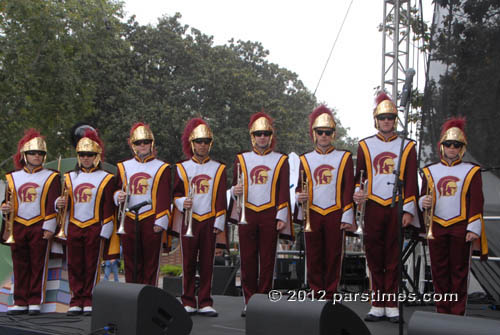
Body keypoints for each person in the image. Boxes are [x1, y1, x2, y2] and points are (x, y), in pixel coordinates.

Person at [353, 92, 420, 323]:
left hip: (396, 206)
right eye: (383, 117)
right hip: (373, 205)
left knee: (393, 256)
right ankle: (377, 302)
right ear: (376, 119)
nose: (387, 121)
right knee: (374, 255)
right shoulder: (364, 145)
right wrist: (357, 192)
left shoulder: (408, 146)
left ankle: (391, 303)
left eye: (390, 117)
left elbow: (412, 180)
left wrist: (409, 210)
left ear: (395, 120)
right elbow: (358, 176)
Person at [420, 117, 488, 315]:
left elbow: (477, 200)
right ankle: (442, 310)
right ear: (442, 146)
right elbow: (423, 195)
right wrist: (421, 201)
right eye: (448, 144)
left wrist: (473, 227)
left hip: (461, 227)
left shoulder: (472, 171)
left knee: (459, 272)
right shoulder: (429, 170)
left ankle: (457, 313)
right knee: (439, 272)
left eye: (456, 145)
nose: (452, 148)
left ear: (462, 147)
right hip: (437, 226)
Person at [229, 111, 293, 317]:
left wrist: (282, 216)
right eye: (259, 133)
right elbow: (234, 186)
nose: (262, 137)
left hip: (269, 214)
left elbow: (283, 189)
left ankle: (263, 300)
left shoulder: (281, 160)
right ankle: (249, 300)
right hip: (247, 212)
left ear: (271, 136)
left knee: (267, 260)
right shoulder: (241, 159)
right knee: (247, 260)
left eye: (266, 133)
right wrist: (233, 192)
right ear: (252, 136)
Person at [294, 105, 355, 299]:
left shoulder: (344, 157)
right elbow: (299, 187)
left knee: (334, 255)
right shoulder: (305, 159)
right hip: (312, 213)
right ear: (314, 134)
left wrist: (347, 214)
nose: (323, 136)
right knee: (313, 255)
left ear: (333, 134)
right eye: (320, 132)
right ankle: (315, 290)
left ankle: (330, 291)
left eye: (327, 132)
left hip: (335, 212)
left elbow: (348, 188)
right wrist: (299, 196)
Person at [171, 118, 227, 317]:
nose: (202, 145)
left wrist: (219, 221)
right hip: (189, 219)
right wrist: (181, 202)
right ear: (191, 143)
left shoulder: (219, 168)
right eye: (198, 141)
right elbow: (175, 194)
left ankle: (205, 301)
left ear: (210, 143)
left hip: (209, 219)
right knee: (187, 262)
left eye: (205, 141)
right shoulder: (181, 167)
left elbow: (221, 197)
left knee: (206, 262)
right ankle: (187, 299)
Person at [0, 129, 60, 316]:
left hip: (39, 225)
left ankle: (35, 300)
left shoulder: (51, 176)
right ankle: (20, 301)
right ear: (24, 155)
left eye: (40, 153)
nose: (36, 156)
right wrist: (4, 209)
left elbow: (52, 202)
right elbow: (7, 200)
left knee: (38, 264)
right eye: (33, 153)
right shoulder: (12, 177)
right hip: (17, 225)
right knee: (20, 264)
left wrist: (49, 227)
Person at [56, 129, 115, 316]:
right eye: (82, 154)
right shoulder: (68, 177)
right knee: (74, 265)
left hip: (94, 226)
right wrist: (58, 204)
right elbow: (64, 204)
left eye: (90, 154)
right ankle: (76, 300)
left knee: (92, 265)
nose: (86, 158)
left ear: (97, 156)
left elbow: (107, 205)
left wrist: (106, 227)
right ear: (78, 156)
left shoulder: (106, 178)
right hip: (73, 225)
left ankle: (89, 299)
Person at [115, 123, 171, 285]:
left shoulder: (162, 167)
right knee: (130, 260)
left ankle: (148, 295)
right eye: (139, 143)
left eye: (146, 142)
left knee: (151, 261)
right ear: (133, 145)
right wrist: (118, 195)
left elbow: (164, 194)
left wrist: (161, 220)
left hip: (151, 218)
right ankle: (132, 296)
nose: (143, 146)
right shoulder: (123, 166)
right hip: (129, 218)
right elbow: (116, 188)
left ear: (151, 143)